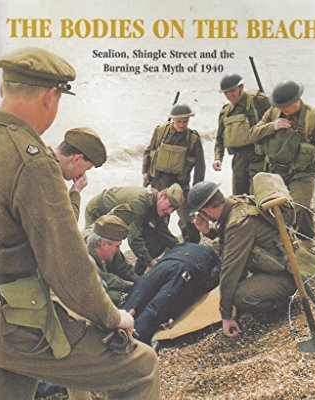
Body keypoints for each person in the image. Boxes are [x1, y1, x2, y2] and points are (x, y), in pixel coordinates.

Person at [0, 47, 194, 400]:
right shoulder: (30, 159)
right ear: (50, 98)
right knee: (139, 368)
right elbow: (66, 263)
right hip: (21, 320)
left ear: (4, 88)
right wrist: (111, 316)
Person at [32, 127, 109, 400]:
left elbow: (59, 220)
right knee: (66, 333)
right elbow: (62, 233)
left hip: (18, 268)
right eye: (86, 167)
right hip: (29, 271)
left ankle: (42, 387)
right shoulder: (46, 177)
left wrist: (74, 193)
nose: (83, 172)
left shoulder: (37, 164)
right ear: (76, 159)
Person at [187, 180, 297, 338]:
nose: (200, 216)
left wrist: (225, 315)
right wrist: (208, 232)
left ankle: (279, 305)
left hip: (289, 274)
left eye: (200, 212)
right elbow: (230, 242)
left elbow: (230, 270)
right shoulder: (236, 203)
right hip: (283, 265)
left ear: (206, 210)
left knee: (241, 297)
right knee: (234, 290)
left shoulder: (238, 224)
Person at [248, 80, 315, 243]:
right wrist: (272, 126)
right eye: (280, 105)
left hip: (301, 173)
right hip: (274, 172)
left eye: (285, 106)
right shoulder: (273, 113)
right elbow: (252, 134)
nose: (282, 109)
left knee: (300, 209)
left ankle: (306, 242)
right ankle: (281, 242)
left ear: (296, 100)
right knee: (269, 210)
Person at [124, 242, 220, 346]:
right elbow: (212, 279)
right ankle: (134, 337)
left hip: (166, 263)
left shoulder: (185, 244)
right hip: (187, 267)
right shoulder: (214, 259)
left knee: (139, 292)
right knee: (159, 304)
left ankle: (117, 325)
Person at [85, 184, 184, 275]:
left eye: (174, 209)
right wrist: (151, 262)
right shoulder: (140, 202)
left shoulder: (159, 207)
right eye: (170, 206)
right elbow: (134, 238)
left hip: (120, 216)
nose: (170, 211)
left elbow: (164, 233)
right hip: (98, 210)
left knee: (156, 240)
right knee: (98, 252)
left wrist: (183, 249)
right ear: (162, 195)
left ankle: (136, 276)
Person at [142, 103, 206, 243]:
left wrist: (197, 188)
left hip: (180, 184)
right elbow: (148, 151)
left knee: (187, 217)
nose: (182, 125)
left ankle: (192, 246)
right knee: (158, 217)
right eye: (178, 121)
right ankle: (157, 247)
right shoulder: (160, 131)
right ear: (172, 120)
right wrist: (145, 172)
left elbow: (200, 165)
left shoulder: (193, 138)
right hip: (158, 181)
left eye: (185, 122)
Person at [213, 73, 270, 195]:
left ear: (241, 87)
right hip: (238, 160)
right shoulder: (225, 112)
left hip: (259, 156)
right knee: (239, 197)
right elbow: (219, 139)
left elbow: (276, 119)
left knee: (258, 195)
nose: (230, 95)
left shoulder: (259, 101)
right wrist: (218, 158)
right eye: (226, 92)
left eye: (232, 91)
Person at [85, 204, 139, 306]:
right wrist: (130, 286)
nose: (118, 250)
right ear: (104, 244)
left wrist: (140, 282)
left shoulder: (100, 232)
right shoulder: (86, 259)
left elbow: (122, 266)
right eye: (117, 246)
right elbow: (105, 279)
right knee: (112, 296)